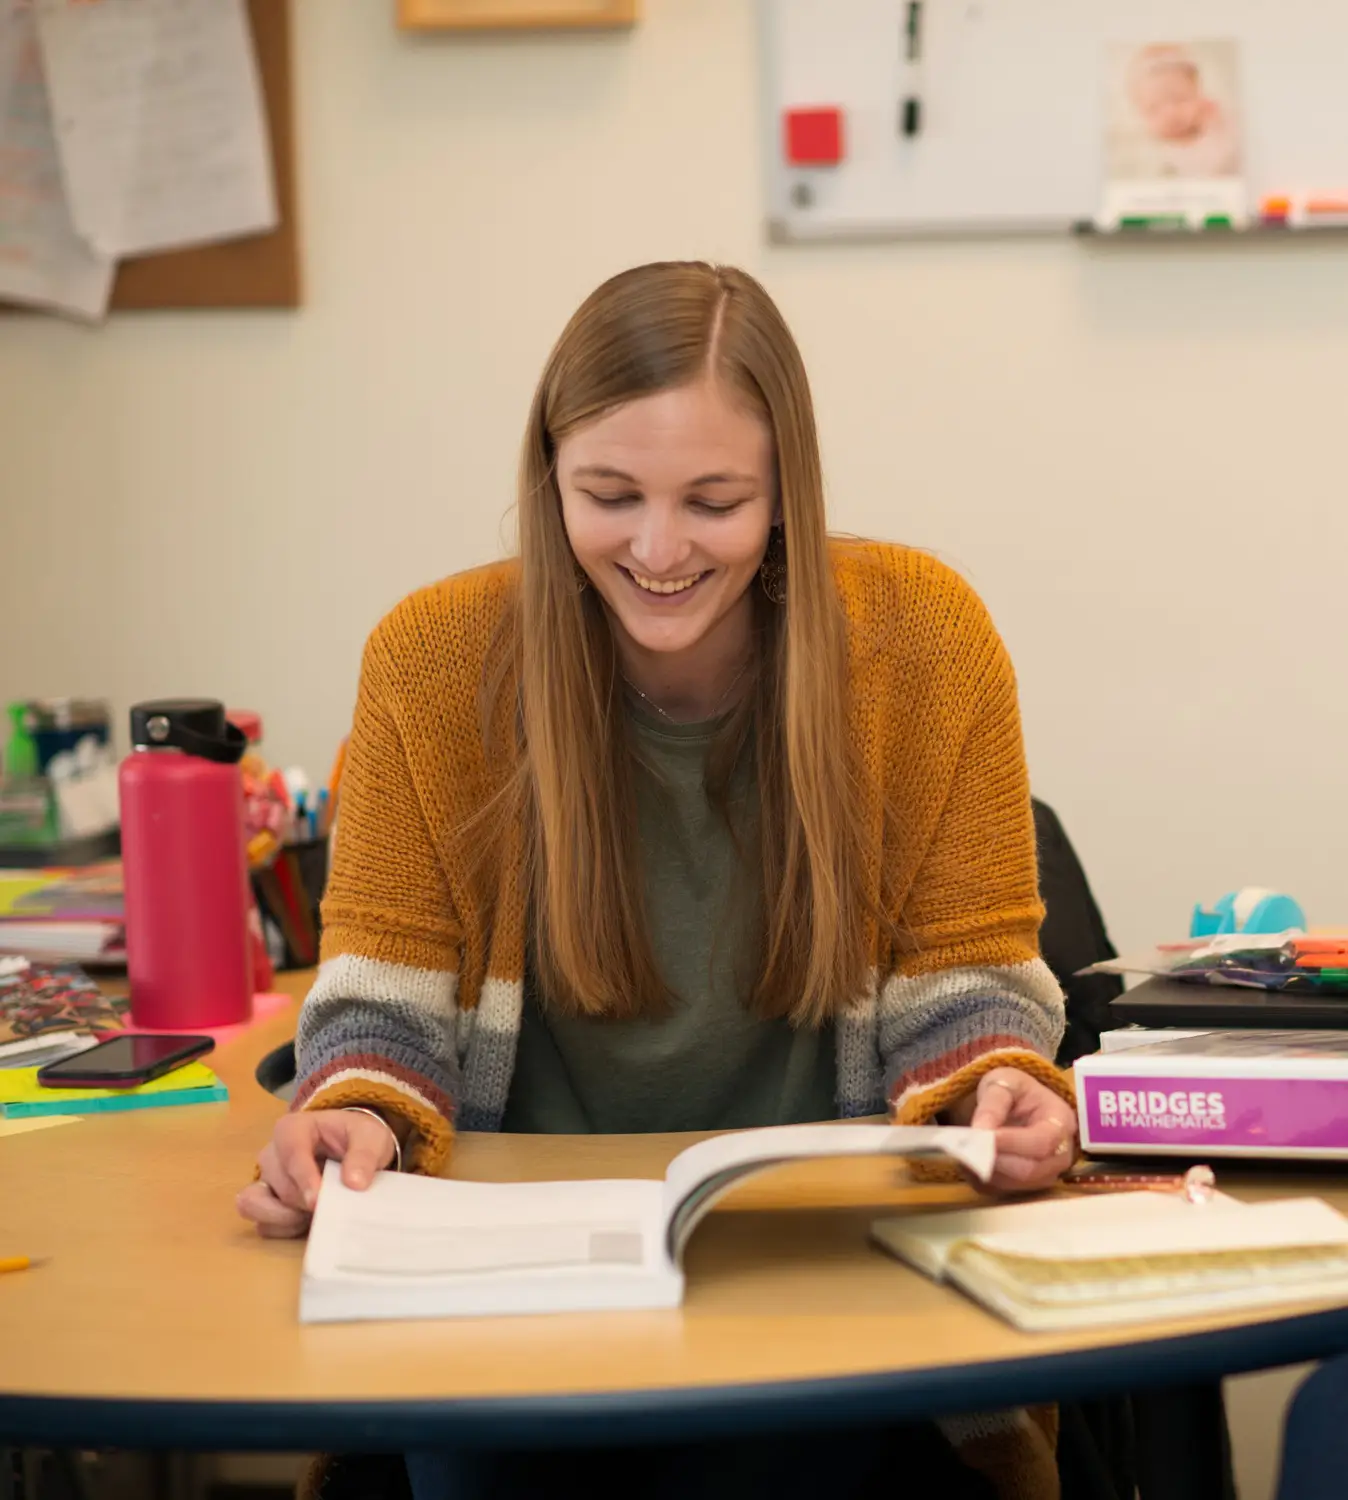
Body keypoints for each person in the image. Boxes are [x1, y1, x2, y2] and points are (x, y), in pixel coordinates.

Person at [236, 261, 1078, 1499]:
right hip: (507, 1304)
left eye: (716, 501)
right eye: (610, 495)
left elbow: (971, 987)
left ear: (787, 486)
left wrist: (998, 1089)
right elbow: (381, 1011)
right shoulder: (433, 661)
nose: (660, 548)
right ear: (549, 478)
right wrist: (352, 1118)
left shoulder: (922, 642)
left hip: (827, 1280)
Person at [1123, 44, 1240, 178]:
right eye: (1153, 108)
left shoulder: (1217, 123)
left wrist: (1216, 120)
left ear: (1198, 93)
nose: (1170, 113)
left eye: (1179, 99)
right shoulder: (1154, 154)